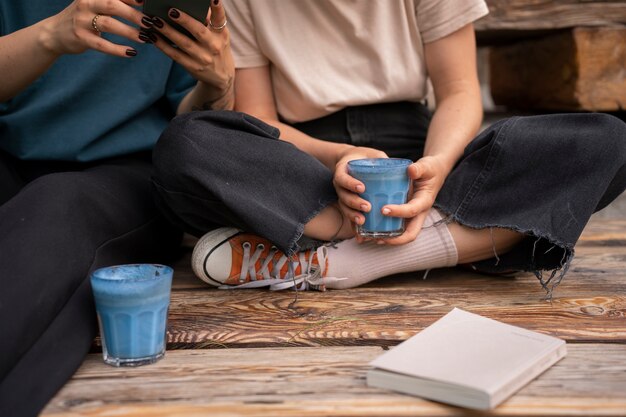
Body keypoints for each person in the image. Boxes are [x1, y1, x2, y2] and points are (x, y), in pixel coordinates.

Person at [152, 1, 626, 293]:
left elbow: (460, 92)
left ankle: (333, 261)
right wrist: (337, 156)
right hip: (307, 162)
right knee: (187, 142)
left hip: (421, 151)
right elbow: (259, 121)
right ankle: (451, 239)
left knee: (605, 141)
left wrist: (437, 165)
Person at [0, 0, 234, 415]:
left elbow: (194, 127)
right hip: (12, 161)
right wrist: (50, 35)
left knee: (57, 210)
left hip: (125, 176)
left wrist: (216, 87)